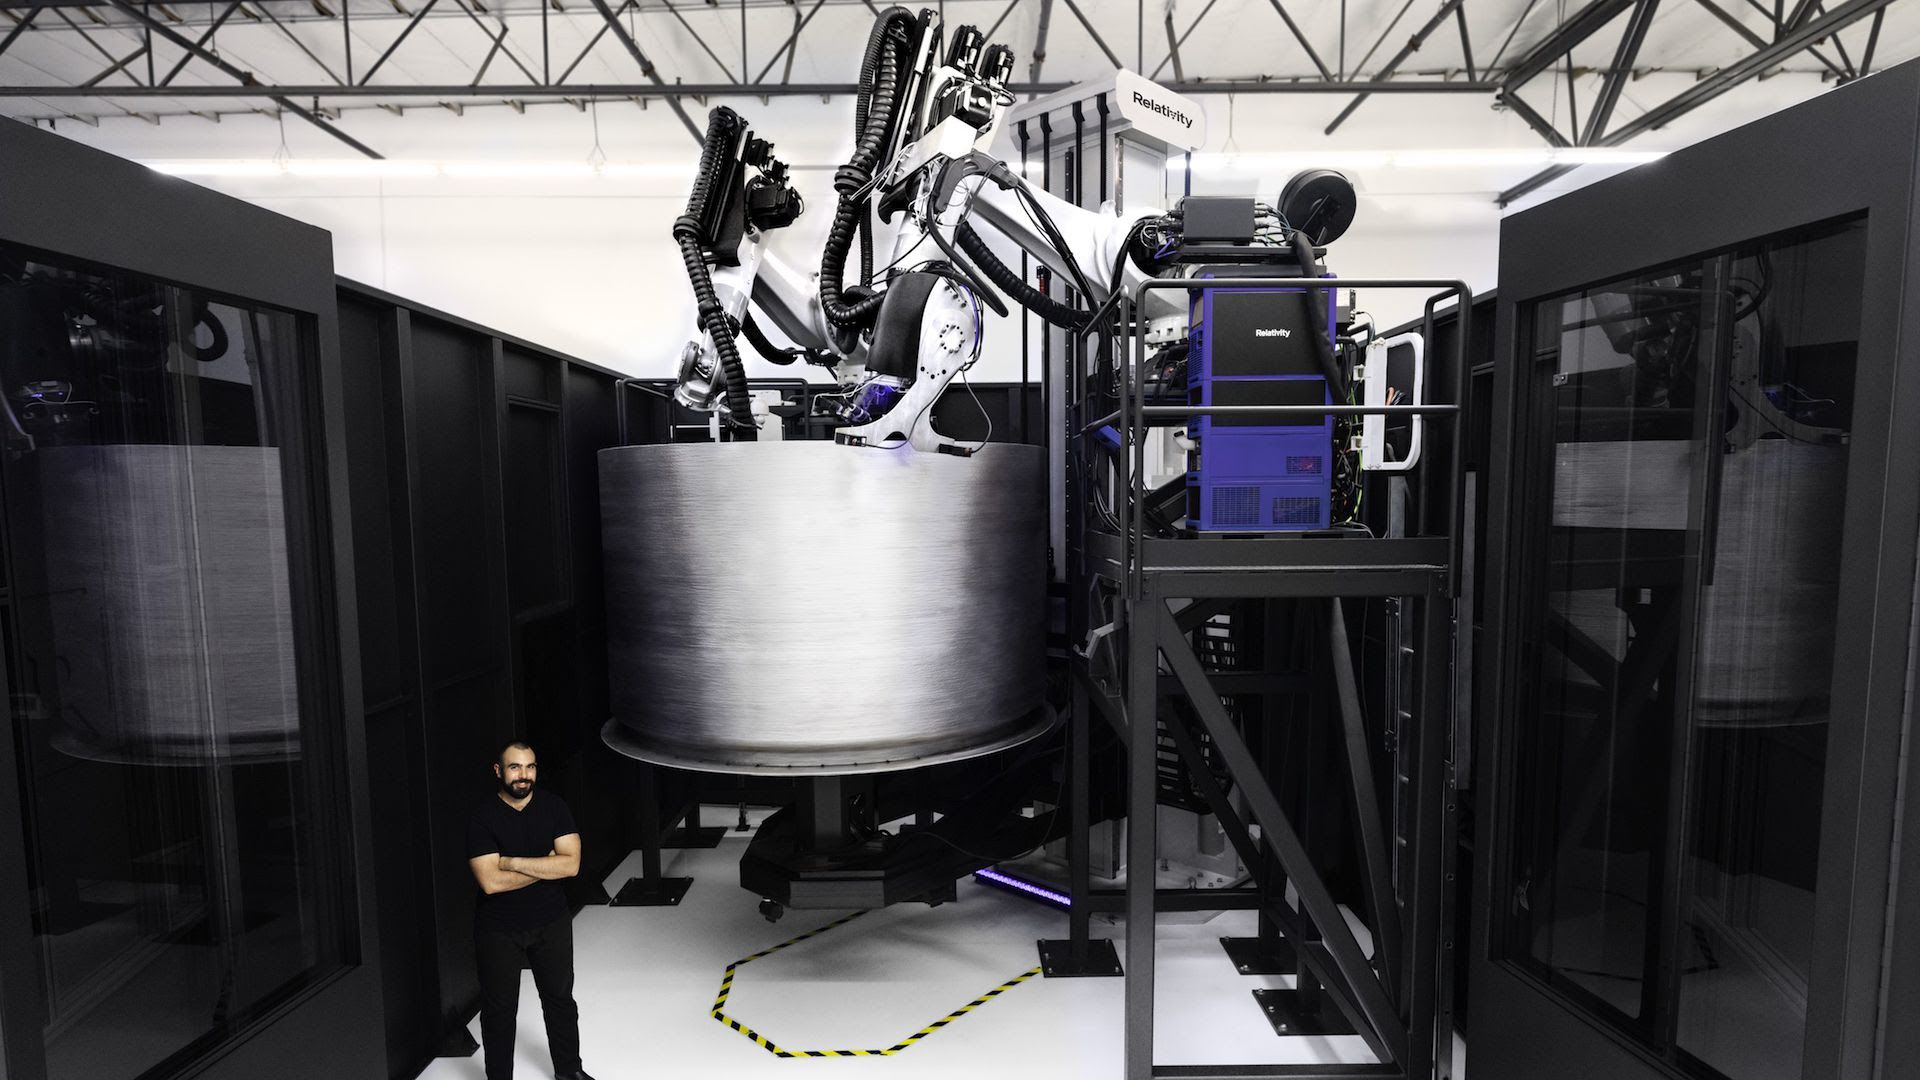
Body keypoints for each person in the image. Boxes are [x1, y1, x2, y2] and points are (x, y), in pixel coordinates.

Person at [467, 740, 597, 1080]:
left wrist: (511, 862)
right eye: (514, 767)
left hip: (551, 921)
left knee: (560, 1001)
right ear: (499, 771)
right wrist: (545, 865)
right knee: (498, 1011)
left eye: (530, 767)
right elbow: (490, 883)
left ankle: (570, 1072)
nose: (523, 775)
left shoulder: (554, 807)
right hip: (498, 928)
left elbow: (571, 866)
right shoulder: (482, 818)